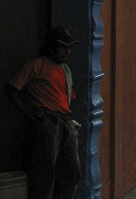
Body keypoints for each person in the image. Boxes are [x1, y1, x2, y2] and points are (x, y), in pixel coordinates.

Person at [5, 26, 81, 199]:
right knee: (44, 173)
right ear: (51, 47)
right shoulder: (36, 65)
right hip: (47, 124)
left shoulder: (65, 70)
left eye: (69, 48)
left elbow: (68, 97)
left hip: (65, 123)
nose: (67, 52)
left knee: (71, 171)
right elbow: (11, 89)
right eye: (63, 47)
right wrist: (27, 111)